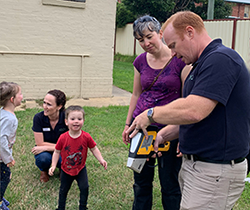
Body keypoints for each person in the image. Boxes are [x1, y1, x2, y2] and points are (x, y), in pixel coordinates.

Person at [127, 11, 250, 210]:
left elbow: (194, 110)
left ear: (190, 32)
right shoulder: (201, 64)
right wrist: (163, 135)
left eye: (173, 45)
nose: (173, 53)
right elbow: (199, 117)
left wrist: (150, 114)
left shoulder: (221, 59)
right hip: (198, 167)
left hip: (215, 170)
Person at [122, 15, 191, 210]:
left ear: (160, 33)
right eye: (140, 40)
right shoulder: (140, 61)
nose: (145, 43)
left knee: (170, 184)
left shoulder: (179, 59)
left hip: (169, 130)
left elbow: (186, 100)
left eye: (148, 37)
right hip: (142, 128)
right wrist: (128, 124)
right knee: (141, 181)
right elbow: (136, 94)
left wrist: (182, 132)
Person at [49, 105, 107, 210]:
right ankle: (61, 207)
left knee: (84, 188)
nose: (76, 121)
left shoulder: (86, 137)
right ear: (66, 122)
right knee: (63, 190)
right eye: (73, 119)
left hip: (81, 169)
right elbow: (56, 152)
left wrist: (101, 159)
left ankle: (83, 207)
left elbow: (94, 149)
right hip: (66, 170)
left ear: (83, 121)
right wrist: (53, 165)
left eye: (79, 119)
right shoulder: (63, 138)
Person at [31, 89, 68, 183]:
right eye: (44, 102)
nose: (45, 107)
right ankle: (44, 170)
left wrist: (45, 147)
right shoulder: (38, 118)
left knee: (65, 157)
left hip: (60, 150)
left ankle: (62, 169)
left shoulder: (67, 118)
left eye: (49, 104)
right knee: (43, 158)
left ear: (59, 106)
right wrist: (43, 147)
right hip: (47, 151)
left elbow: (69, 144)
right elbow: (39, 143)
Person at [0, 81, 23, 210]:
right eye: (20, 93)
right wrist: (8, 158)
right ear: (12, 99)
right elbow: (1, 140)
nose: (22, 96)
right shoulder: (9, 119)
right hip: (1, 158)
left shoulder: (3, 113)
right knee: (5, 177)